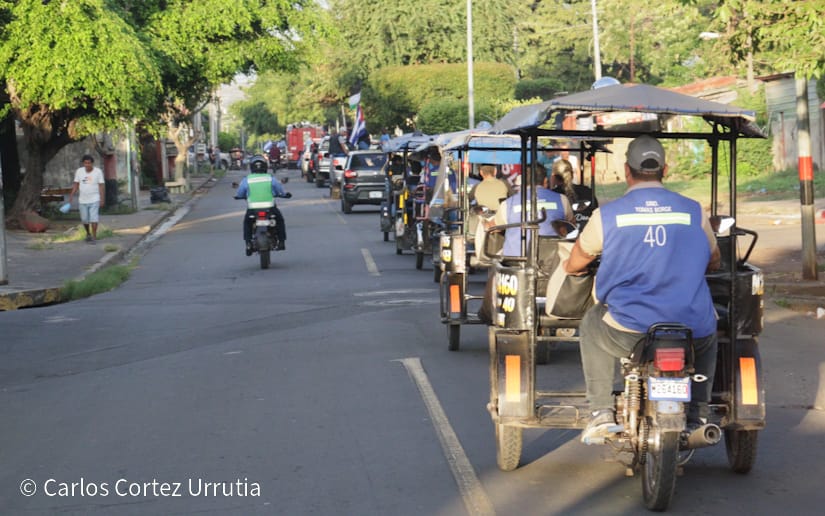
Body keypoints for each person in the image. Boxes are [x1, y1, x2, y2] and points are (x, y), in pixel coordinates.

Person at [563, 135, 721, 444]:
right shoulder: (694, 211)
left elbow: (577, 260)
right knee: (710, 327)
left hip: (630, 329)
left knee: (591, 324)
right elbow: (714, 260)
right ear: (665, 168)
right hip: (691, 328)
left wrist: (574, 268)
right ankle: (699, 413)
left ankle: (601, 412)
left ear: (626, 170)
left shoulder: (607, 216)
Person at [494, 163, 574, 256]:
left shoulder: (507, 204)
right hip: (552, 260)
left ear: (522, 182)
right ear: (545, 181)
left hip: (515, 260)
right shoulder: (562, 199)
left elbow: (496, 227)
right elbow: (571, 224)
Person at [235, 155, 291, 254]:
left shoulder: (247, 179)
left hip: (252, 209)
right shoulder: (270, 178)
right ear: (265, 166)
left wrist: (239, 196)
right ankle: (281, 242)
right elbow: (279, 190)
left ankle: (248, 244)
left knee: (247, 223)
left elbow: (240, 193)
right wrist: (284, 195)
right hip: (270, 208)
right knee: (279, 220)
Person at [549, 158, 598, 228]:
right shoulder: (588, 192)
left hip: (562, 235)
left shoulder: (552, 196)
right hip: (586, 233)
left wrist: (551, 186)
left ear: (554, 177)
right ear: (572, 174)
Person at [69, 154, 105, 243]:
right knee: (84, 219)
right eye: (85, 163)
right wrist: (71, 195)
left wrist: (102, 199)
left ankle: (94, 237)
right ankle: (88, 234)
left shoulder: (98, 172)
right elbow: (76, 184)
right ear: (83, 163)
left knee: (94, 218)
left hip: (95, 199)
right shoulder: (79, 171)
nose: (87, 165)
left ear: (92, 163)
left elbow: (101, 186)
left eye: (89, 163)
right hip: (83, 200)